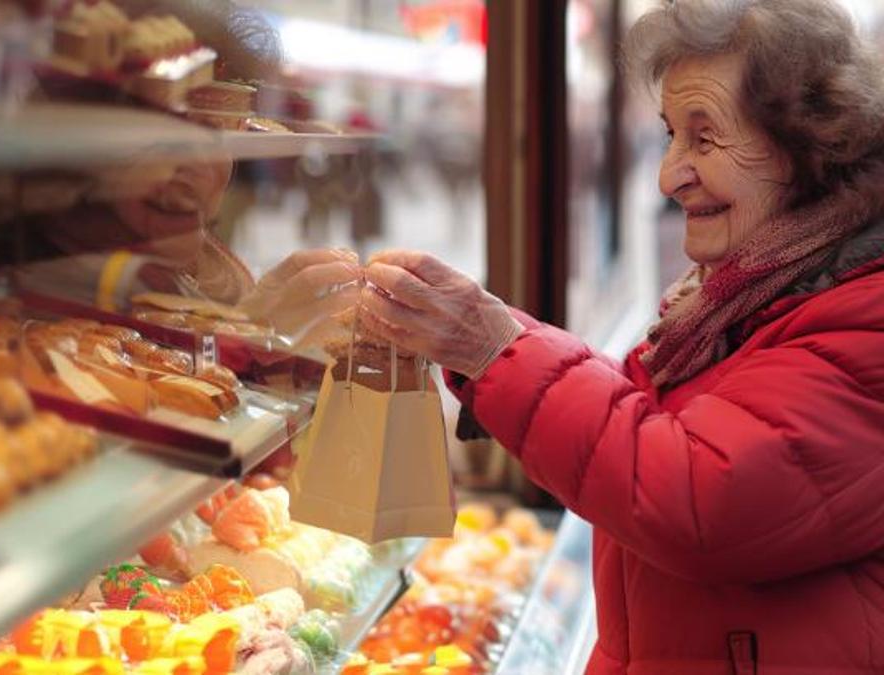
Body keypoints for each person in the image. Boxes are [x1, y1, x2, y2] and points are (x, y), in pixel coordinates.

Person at [346, 1, 884, 673]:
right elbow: (655, 419)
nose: (669, 174)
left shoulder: (864, 319)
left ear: (810, 149)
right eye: (671, 135)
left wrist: (493, 347)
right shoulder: (751, 295)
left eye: (705, 137)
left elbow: (695, 492)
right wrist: (488, 339)